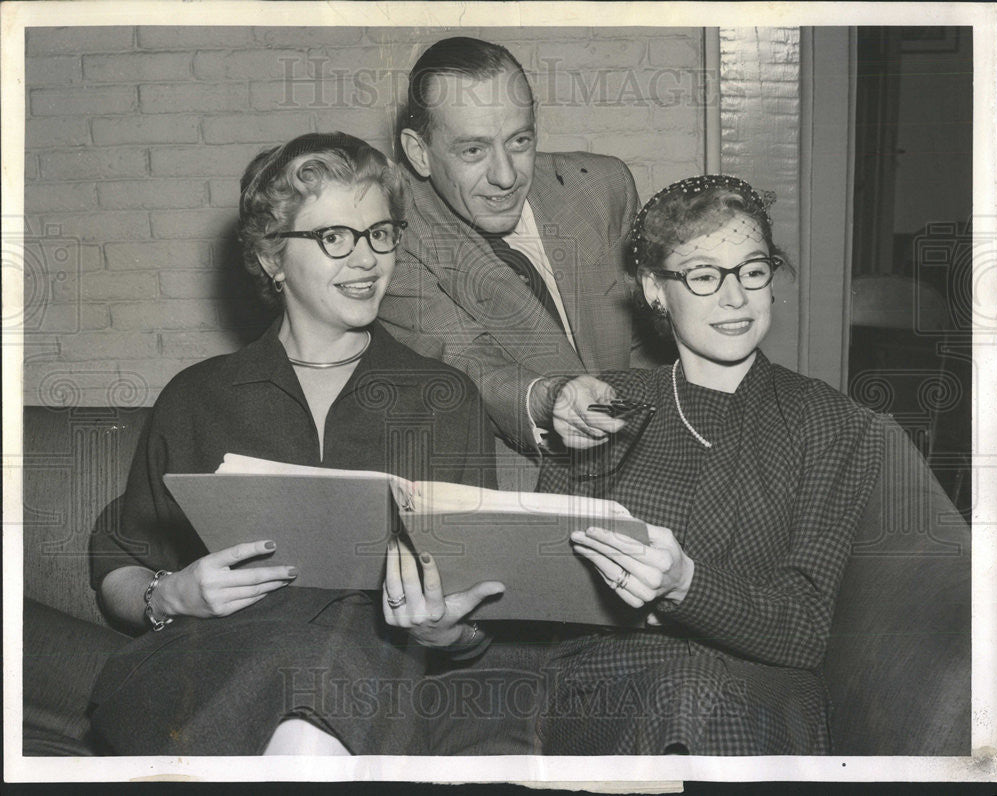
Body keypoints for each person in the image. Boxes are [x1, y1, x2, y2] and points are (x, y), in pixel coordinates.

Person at [87, 132, 502, 756]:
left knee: (341, 641)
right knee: (319, 657)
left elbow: (482, 612)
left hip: (376, 674)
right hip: (211, 667)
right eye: (335, 237)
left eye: (380, 234)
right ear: (272, 258)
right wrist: (170, 594)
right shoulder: (198, 396)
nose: (367, 260)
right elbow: (121, 555)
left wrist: (448, 632)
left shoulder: (445, 398)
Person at [533, 175, 886, 754]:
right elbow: (547, 597)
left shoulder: (831, 422)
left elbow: (803, 628)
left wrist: (685, 585)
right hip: (609, 689)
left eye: (752, 270)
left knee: (699, 696)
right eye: (703, 275)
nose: (735, 297)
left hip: (762, 693)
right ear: (654, 289)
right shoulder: (604, 406)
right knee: (686, 690)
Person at [378, 36, 658, 460]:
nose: (506, 176)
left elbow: (645, 346)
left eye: (519, 141)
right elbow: (468, 361)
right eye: (473, 150)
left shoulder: (601, 187)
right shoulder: (394, 236)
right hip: (524, 486)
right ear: (419, 153)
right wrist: (549, 398)